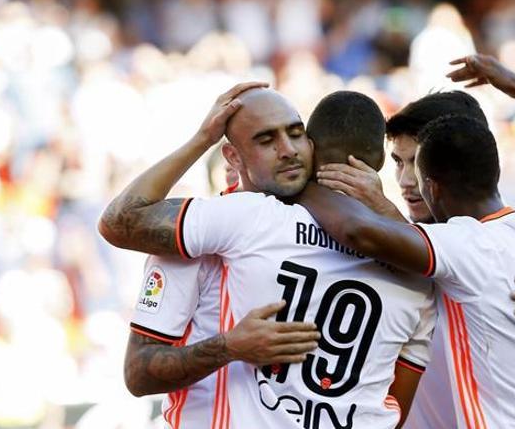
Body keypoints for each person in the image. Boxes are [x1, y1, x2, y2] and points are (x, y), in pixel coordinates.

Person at [298, 54, 515, 428]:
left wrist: (295, 178)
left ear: (437, 174)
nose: (405, 180)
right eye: (397, 162)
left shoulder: (475, 246)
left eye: (416, 162)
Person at [99, 84, 435, 428]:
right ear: (232, 157)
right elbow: (139, 373)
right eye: (266, 140)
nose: (288, 150)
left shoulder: (248, 219)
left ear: (314, 144)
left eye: (295, 134)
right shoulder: (421, 268)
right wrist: (228, 347)